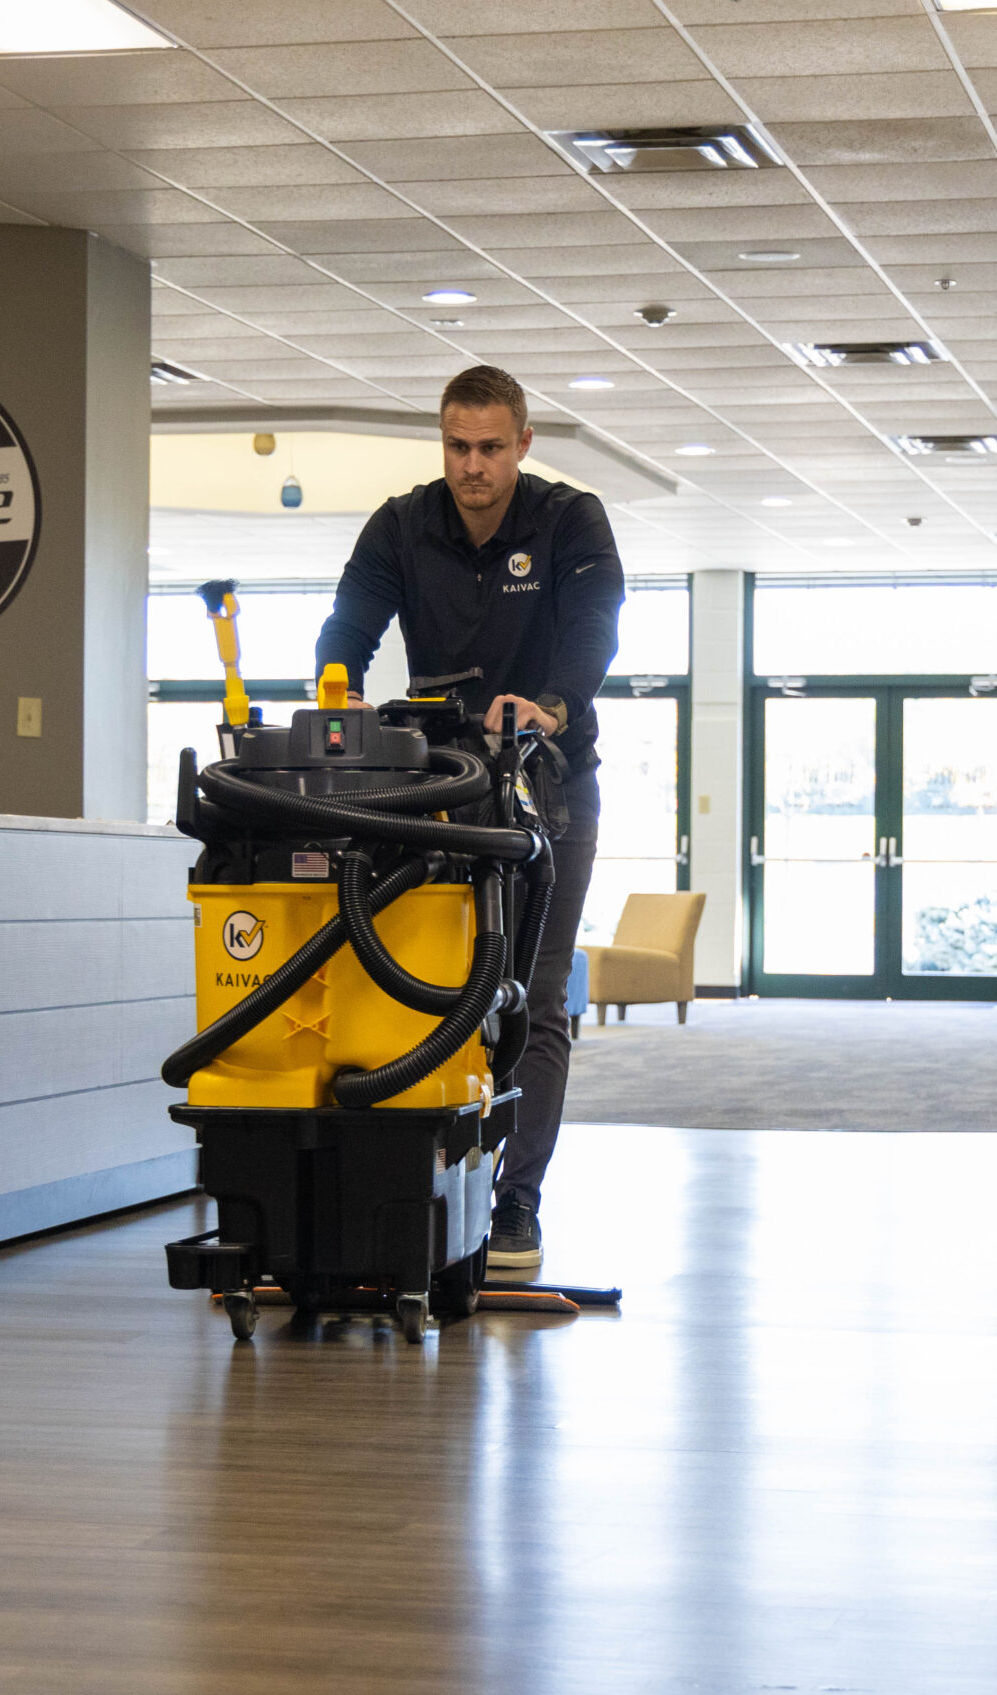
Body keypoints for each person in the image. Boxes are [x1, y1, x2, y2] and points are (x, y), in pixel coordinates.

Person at [315, 365, 622, 1269]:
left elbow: (594, 626)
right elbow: (349, 625)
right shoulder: (402, 525)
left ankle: (517, 1199)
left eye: (491, 447)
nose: (473, 465)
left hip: (551, 783)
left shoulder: (570, 520)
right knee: (435, 988)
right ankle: (427, 1179)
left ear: (524, 443)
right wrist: (338, 699)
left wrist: (553, 702)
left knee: (536, 988)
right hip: (440, 790)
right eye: (458, 446)